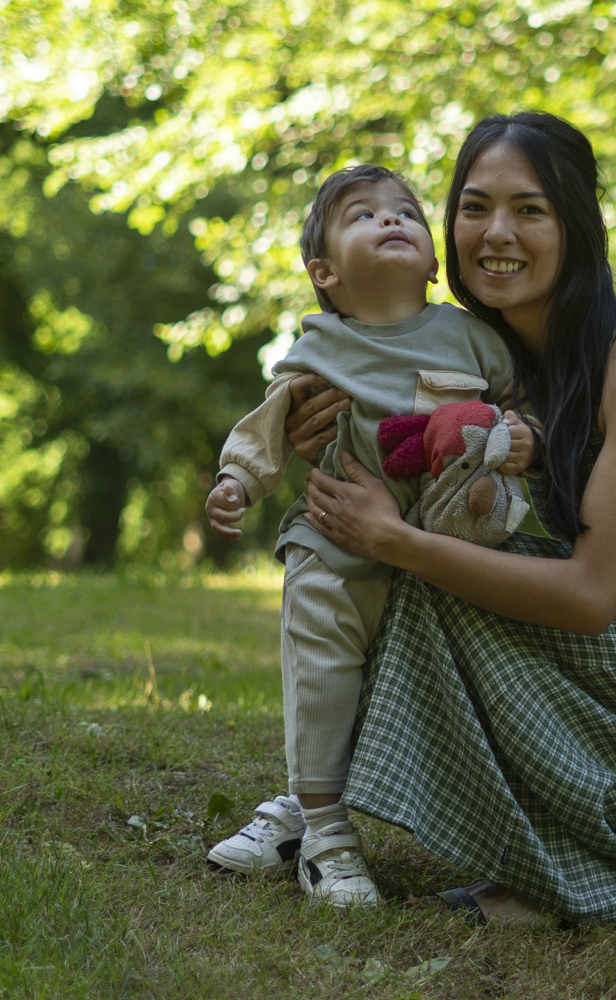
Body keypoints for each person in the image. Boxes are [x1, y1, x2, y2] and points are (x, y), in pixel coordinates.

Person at [296, 112, 616, 924]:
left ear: (576, 224)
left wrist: (396, 541)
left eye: (529, 209)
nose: (496, 232)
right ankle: (312, 801)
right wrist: (319, 435)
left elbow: (587, 597)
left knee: (434, 573)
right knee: (421, 567)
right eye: (474, 208)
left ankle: (551, 874)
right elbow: (407, 458)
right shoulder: (483, 354)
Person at [203, 163, 533, 908]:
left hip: (439, 562)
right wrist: (237, 480)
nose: (391, 221)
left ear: (432, 257)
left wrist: (515, 440)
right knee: (322, 683)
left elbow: (519, 408)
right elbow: (270, 425)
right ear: (324, 271)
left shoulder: (472, 338)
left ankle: (297, 810)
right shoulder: (319, 345)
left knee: (388, 696)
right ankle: (327, 837)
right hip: (333, 552)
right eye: (363, 216)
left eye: (405, 213)